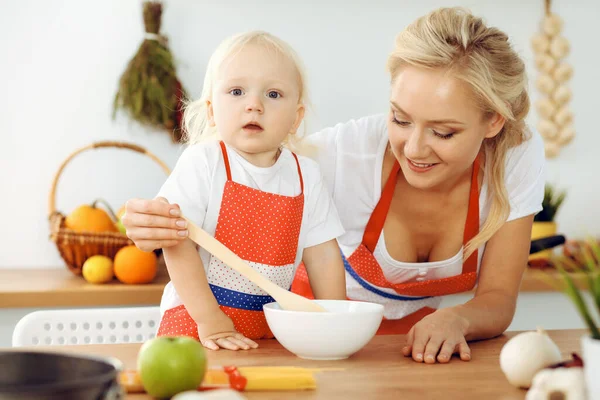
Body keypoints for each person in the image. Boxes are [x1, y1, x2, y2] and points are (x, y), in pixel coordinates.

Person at [123, 7, 545, 364]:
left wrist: (458, 319)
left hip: (385, 349)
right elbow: (226, 182)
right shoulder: (330, 154)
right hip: (293, 333)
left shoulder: (515, 158)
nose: (414, 148)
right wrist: (151, 224)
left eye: (444, 132)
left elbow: (498, 296)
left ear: (493, 122)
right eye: (399, 119)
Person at [141, 30, 347, 351]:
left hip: (271, 331)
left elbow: (323, 256)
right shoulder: (205, 162)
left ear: (296, 117)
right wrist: (210, 319)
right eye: (237, 91)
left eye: (274, 95)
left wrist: (335, 321)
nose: (254, 105)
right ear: (211, 110)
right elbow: (176, 243)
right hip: (197, 325)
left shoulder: (306, 175)